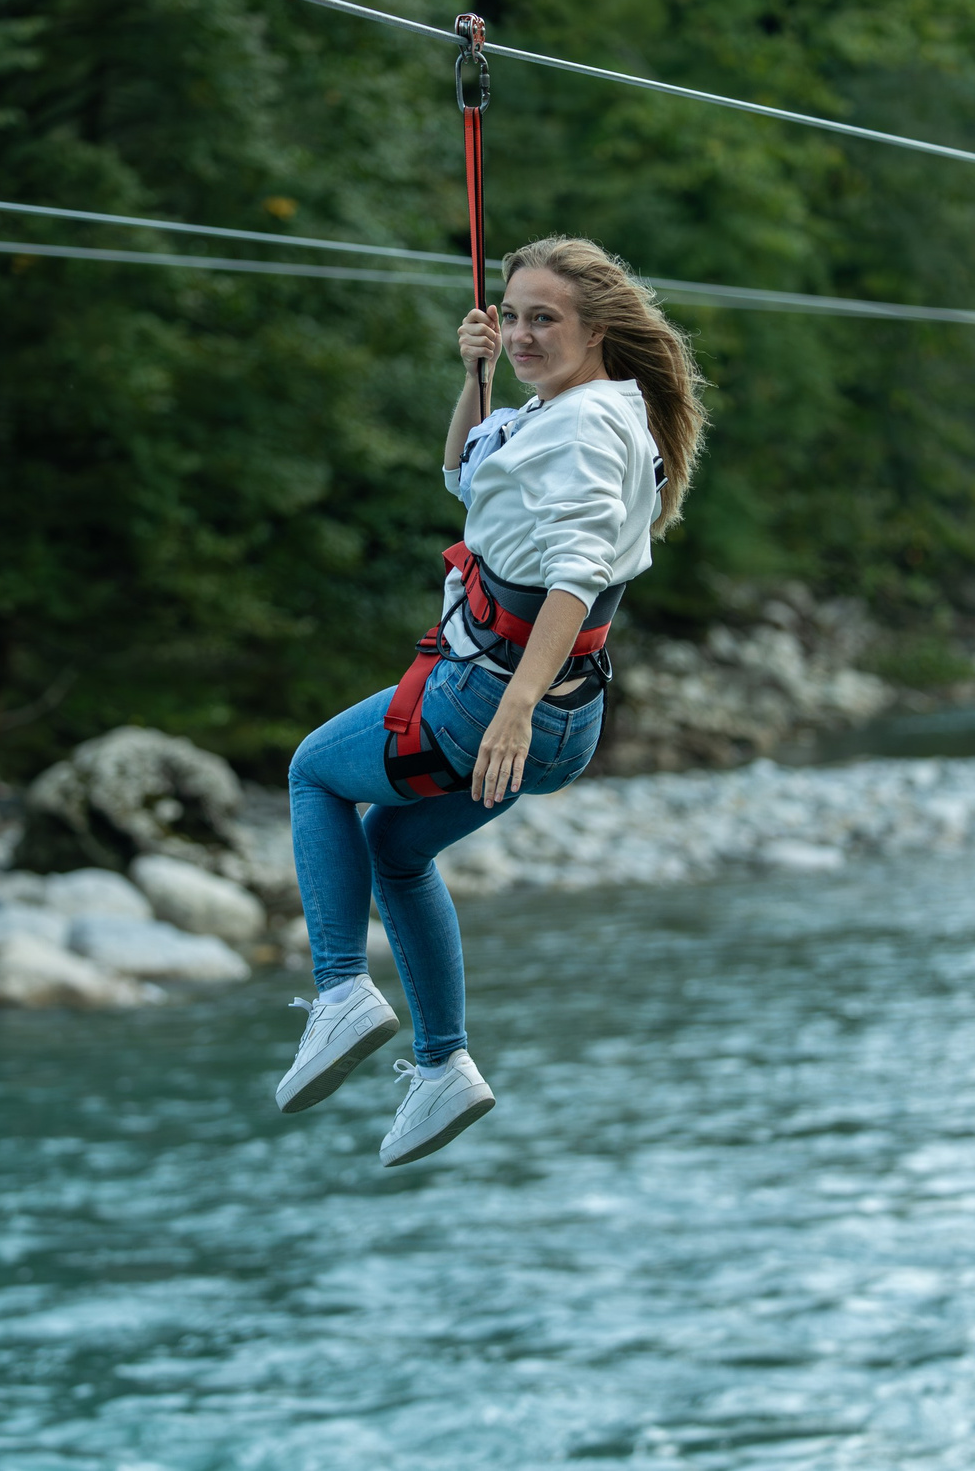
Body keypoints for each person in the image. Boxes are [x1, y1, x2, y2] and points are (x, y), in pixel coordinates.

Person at [273, 235, 707, 1165]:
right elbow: (463, 473)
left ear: (598, 331)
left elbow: (576, 574)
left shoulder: (585, 426)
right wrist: (473, 375)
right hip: (563, 726)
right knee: (394, 848)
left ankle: (342, 988)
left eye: (542, 318)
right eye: (511, 316)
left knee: (314, 773)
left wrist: (511, 702)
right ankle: (442, 1069)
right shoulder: (572, 413)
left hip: (491, 702)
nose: (519, 334)